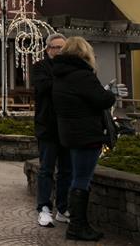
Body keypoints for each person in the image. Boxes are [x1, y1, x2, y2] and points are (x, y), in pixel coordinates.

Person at [52, 36, 123, 242]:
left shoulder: (60, 74)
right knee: (82, 179)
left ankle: (79, 223)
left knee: (77, 176)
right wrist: (110, 92)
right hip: (86, 134)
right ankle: (77, 226)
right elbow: (102, 99)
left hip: (69, 133)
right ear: (84, 54)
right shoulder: (82, 75)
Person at [31, 32, 72, 228]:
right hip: (47, 127)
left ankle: (62, 208)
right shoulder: (40, 67)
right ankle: (44, 209)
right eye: (56, 47)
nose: (59, 51)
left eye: (63, 48)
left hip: (67, 128)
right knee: (46, 169)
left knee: (66, 170)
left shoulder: (70, 67)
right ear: (48, 49)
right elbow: (45, 87)